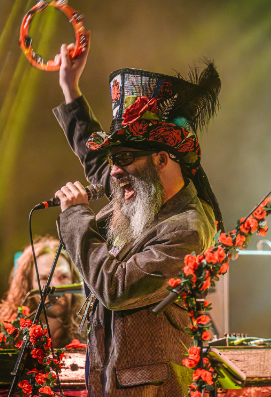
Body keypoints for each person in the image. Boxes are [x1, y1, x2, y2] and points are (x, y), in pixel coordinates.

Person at [51, 34, 224, 396]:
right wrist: (70, 89)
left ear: (162, 158)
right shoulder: (142, 192)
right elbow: (96, 160)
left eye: (125, 159)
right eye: (114, 160)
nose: (115, 172)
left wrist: (76, 217)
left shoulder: (188, 228)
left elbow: (116, 288)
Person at [0, 236, 85, 351]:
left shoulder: (89, 332)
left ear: (73, 280)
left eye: (63, 276)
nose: (55, 286)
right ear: (27, 285)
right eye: (44, 278)